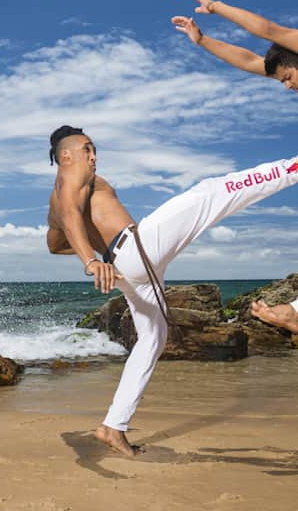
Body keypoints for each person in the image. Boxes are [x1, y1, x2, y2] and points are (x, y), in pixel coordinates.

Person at [47, 124, 298, 456]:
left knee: (153, 338)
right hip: (136, 249)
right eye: (87, 149)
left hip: (129, 268)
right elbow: (68, 214)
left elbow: (55, 241)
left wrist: (98, 252)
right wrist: (91, 261)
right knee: (209, 193)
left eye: (94, 150)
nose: (93, 156)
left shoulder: (60, 195)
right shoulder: (71, 175)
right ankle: (292, 168)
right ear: (66, 154)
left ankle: (113, 426)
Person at [172, 0, 298, 330]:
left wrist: (215, 7)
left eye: (287, 78)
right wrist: (202, 41)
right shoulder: (284, 68)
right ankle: (295, 312)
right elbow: (247, 60)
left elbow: (269, 29)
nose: (287, 87)